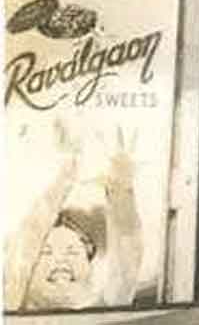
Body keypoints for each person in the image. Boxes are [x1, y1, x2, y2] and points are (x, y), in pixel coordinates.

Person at [5, 121, 144, 311]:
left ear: (90, 267)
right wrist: (65, 175)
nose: (61, 260)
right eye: (46, 252)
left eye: (73, 252)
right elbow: (30, 234)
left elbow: (127, 252)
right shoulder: (10, 306)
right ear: (26, 271)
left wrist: (121, 189)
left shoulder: (106, 309)